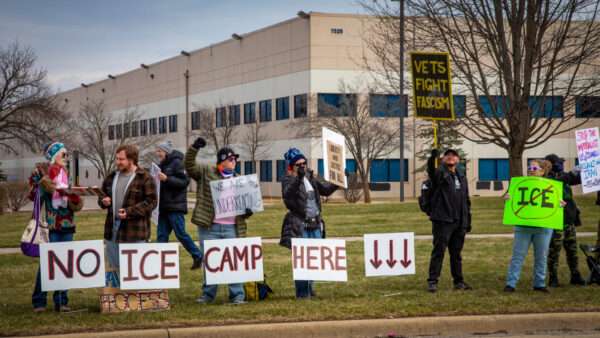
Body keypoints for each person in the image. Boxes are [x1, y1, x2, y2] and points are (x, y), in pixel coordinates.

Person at [185, 137, 253, 305]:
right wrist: (194, 148)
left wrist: (247, 211)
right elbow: (189, 166)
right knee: (211, 262)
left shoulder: (240, 180)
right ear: (222, 161)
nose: (234, 162)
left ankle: (237, 295)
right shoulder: (207, 171)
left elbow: (244, 209)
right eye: (231, 159)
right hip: (210, 227)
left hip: (232, 228)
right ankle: (208, 295)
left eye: (236, 159)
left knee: (233, 262)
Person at [31, 142, 84, 312]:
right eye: (63, 154)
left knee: (64, 264)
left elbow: (75, 203)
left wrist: (74, 197)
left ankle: (61, 300)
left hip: (68, 225)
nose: (66, 158)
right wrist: (43, 184)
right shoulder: (45, 176)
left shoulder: (65, 175)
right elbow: (34, 197)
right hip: (51, 226)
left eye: (67, 154)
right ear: (54, 156)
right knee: (48, 263)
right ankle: (39, 301)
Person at [279, 147, 339, 299]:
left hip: (315, 224)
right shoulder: (288, 179)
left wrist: (339, 181)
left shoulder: (311, 177)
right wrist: (298, 178)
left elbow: (325, 190)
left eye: (304, 162)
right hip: (300, 226)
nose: (302, 166)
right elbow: (288, 196)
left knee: (314, 259)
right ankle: (302, 294)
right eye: (298, 164)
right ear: (291, 166)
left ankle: (310, 289)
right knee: (301, 262)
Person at [99, 144, 157, 284]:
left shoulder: (145, 177)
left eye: (121, 159)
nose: (118, 162)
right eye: (117, 159)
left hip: (135, 230)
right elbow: (102, 196)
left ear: (132, 159)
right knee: (114, 267)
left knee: (134, 268)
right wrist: (103, 201)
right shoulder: (111, 176)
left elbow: (151, 202)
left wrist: (129, 212)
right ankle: (117, 296)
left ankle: (134, 296)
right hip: (112, 228)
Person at [504, 160, 564, 293]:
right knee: (518, 256)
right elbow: (511, 200)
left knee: (541, 256)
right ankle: (511, 283)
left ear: (542, 171)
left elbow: (556, 204)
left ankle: (539, 283)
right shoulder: (519, 184)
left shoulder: (552, 187)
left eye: (534, 168)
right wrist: (507, 197)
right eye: (529, 167)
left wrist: (559, 204)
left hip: (543, 227)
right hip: (523, 226)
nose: (531, 169)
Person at [426, 149, 472, 293]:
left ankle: (458, 281)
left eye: (454, 155)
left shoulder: (461, 175)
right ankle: (432, 281)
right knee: (439, 251)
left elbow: (466, 200)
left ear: (458, 160)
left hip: (460, 221)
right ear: (443, 159)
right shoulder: (440, 174)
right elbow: (431, 170)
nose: (451, 157)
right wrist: (433, 157)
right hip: (443, 220)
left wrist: (467, 220)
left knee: (456, 253)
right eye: (447, 155)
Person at [155, 141, 202, 270]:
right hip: (163, 207)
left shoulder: (178, 162)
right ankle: (160, 265)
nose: (157, 153)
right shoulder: (160, 165)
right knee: (161, 236)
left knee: (180, 233)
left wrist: (167, 179)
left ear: (166, 151)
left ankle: (197, 255)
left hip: (175, 206)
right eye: (157, 151)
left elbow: (184, 182)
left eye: (159, 150)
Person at [544, 154, 586, 287]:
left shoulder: (564, 177)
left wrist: (588, 172)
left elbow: (575, 179)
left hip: (569, 220)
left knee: (572, 250)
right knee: (554, 251)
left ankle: (575, 275)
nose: (561, 165)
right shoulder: (546, 178)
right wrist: (571, 173)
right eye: (558, 163)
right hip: (555, 221)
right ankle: (553, 277)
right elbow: (560, 180)